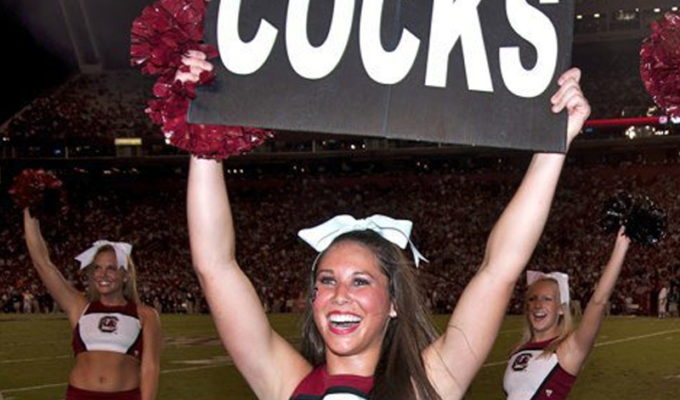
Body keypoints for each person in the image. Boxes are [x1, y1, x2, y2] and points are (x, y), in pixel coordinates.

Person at [181, 49, 590, 399]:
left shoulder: (426, 386)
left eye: (360, 281)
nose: (340, 295)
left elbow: (498, 269)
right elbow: (214, 265)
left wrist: (554, 144)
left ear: (394, 302)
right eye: (327, 281)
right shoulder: (285, 383)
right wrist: (203, 132)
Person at [23, 209, 161, 400]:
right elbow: (42, 264)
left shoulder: (146, 315)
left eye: (111, 268)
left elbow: (150, 368)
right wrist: (29, 212)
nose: (103, 274)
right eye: (97, 268)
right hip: (79, 395)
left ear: (126, 275)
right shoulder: (80, 307)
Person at [504, 229, 631, 400]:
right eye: (533, 299)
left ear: (560, 308)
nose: (538, 305)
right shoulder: (517, 351)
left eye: (547, 299)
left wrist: (621, 246)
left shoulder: (568, 349)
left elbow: (598, 302)